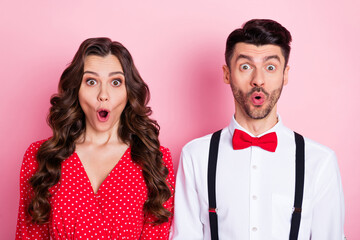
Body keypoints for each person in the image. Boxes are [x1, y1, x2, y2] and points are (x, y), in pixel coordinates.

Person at [171, 19, 345, 239]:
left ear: (285, 75)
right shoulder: (195, 155)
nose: (258, 80)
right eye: (245, 66)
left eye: (270, 67)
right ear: (227, 74)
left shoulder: (320, 161)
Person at [16, 38, 175, 239]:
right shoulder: (42, 157)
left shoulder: (154, 159)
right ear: (76, 90)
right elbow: (29, 234)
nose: (103, 94)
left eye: (116, 82)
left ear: (128, 92)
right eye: (91, 81)